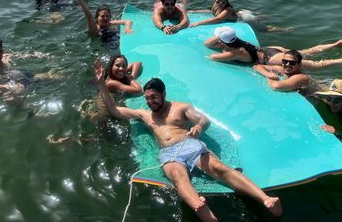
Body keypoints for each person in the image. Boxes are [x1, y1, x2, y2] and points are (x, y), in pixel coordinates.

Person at [94, 66, 283, 220]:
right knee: (178, 176)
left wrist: (198, 128)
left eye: (154, 97)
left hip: (189, 145)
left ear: (163, 93)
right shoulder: (145, 114)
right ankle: (204, 211)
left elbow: (203, 120)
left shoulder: (180, 107)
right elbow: (114, 110)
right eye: (147, 98)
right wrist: (102, 83)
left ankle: (266, 199)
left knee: (220, 169)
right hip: (168, 154)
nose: (150, 102)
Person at [205, 26, 342, 67]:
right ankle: (337, 43)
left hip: (271, 58)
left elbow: (211, 55)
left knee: (316, 65)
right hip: (271, 49)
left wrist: (220, 42)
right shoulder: (240, 43)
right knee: (307, 52)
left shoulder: (234, 53)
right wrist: (223, 40)